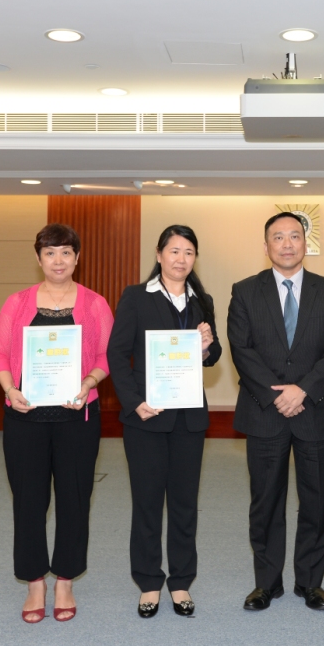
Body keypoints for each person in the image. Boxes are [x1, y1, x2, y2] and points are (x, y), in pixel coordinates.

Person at [227, 212, 324, 612]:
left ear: (305, 243)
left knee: (316, 502)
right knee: (265, 502)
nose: (286, 244)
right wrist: (276, 393)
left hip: (314, 409)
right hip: (265, 411)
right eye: (277, 237)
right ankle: (266, 583)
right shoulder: (245, 291)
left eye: (294, 236)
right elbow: (240, 348)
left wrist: (304, 390)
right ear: (266, 246)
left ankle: (310, 583)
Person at [0, 223, 114, 623]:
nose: (58, 260)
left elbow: (106, 358)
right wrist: (10, 389)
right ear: (38, 258)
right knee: (28, 499)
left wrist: (89, 382)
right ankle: (34, 583)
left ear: (77, 258)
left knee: (75, 497)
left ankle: (64, 579)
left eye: (65, 252)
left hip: (77, 415)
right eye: (49, 253)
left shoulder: (95, 304)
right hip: (25, 415)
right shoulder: (17, 302)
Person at [107, 225, 221, 618]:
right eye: (174, 251)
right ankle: (149, 582)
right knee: (148, 503)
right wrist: (134, 401)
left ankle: (182, 582)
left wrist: (206, 346)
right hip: (146, 418)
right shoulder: (136, 297)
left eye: (189, 252)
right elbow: (117, 354)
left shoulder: (201, 299)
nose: (181, 259)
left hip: (189, 418)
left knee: (186, 504)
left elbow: (213, 354)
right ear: (159, 255)